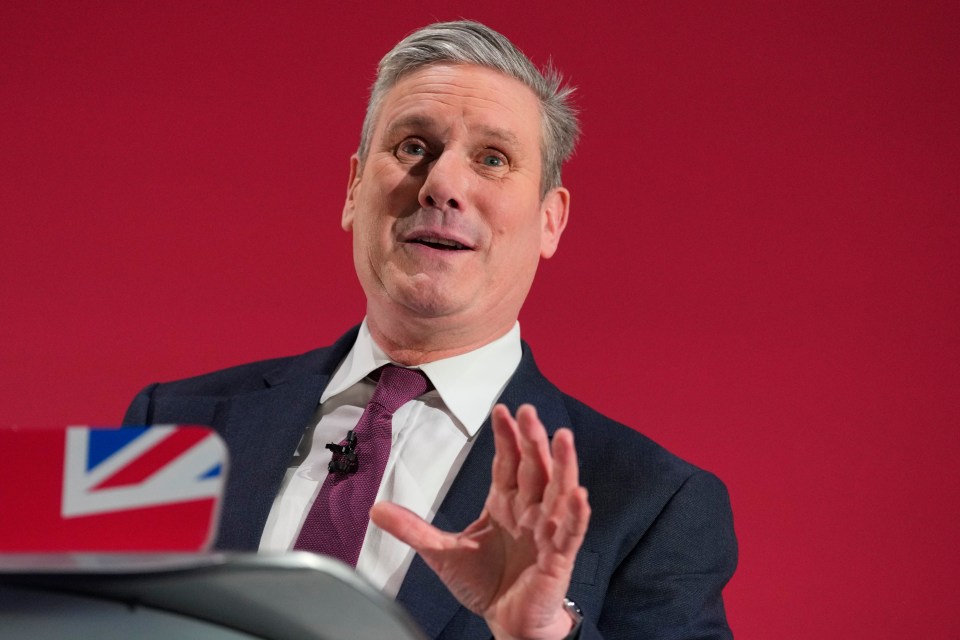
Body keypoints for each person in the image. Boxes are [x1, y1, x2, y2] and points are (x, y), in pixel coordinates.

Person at [124, 20, 737, 640]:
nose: (442, 186)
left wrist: (547, 634)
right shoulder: (175, 427)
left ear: (551, 222)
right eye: (414, 147)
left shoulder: (650, 500)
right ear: (354, 188)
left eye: (493, 159)